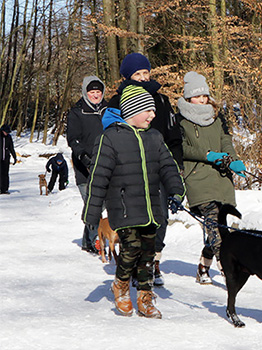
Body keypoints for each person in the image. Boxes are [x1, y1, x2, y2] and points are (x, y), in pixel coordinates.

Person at [82, 85, 185, 318]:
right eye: (148, 110)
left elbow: (168, 166)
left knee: (148, 253)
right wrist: (92, 213)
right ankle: (120, 284)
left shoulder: (155, 137)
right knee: (131, 248)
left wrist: (176, 191)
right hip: (124, 207)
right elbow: (98, 177)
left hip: (149, 207)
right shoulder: (109, 139)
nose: (153, 114)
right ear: (132, 111)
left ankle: (145, 295)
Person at [109, 53, 183, 286]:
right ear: (127, 77)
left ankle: (153, 262)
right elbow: (110, 136)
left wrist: (176, 166)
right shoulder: (116, 101)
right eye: (137, 74)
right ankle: (132, 263)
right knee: (134, 219)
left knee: (159, 217)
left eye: (145, 73)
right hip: (129, 170)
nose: (142, 78)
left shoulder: (161, 101)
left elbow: (174, 137)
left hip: (159, 167)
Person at [176, 71, 246, 284]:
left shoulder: (216, 116)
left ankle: (203, 268)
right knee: (213, 221)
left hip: (220, 176)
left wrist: (232, 159)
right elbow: (181, 148)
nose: (202, 100)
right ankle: (227, 270)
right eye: (197, 97)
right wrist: (207, 155)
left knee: (218, 225)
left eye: (205, 96)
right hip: (197, 175)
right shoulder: (180, 119)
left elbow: (225, 139)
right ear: (188, 98)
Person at [67, 76, 108, 252]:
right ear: (85, 92)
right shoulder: (77, 112)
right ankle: (94, 241)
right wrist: (84, 158)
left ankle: (87, 239)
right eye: (92, 92)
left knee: (102, 203)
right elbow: (73, 139)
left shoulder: (110, 110)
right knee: (93, 204)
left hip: (107, 165)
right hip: (85, 169)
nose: (96, 95)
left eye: (98, 92)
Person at [0, 124, 17, 194]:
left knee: (5, 174)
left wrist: (14, 157)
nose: (6, 133)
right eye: (6, 132)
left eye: (8, 132)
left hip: (6, 158)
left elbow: (11, 147)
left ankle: (5, 189)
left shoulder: (9, 137)